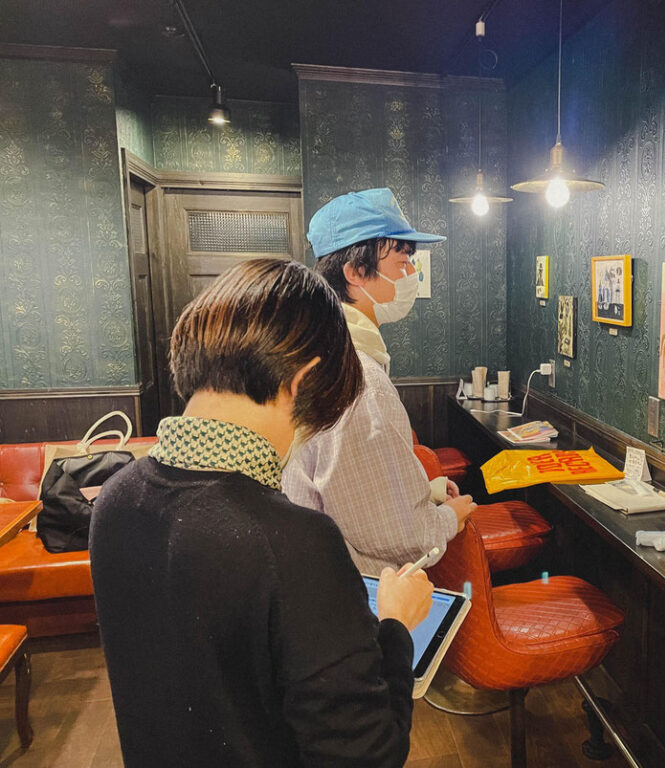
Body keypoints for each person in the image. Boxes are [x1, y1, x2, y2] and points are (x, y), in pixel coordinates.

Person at [91, 259, 434, 768]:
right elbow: (370, 753)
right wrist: (396, 626)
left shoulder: (115, 499)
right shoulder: (294, 542)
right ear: (304, 380)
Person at [283, 188, 476, 575]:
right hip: (356, 589)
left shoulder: (325, 350)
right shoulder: (358, 379)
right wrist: (448, 518)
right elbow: (396, 533)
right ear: (355, 272)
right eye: (402, 261)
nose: (411, 275)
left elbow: (351, 491)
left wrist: (425, 492)